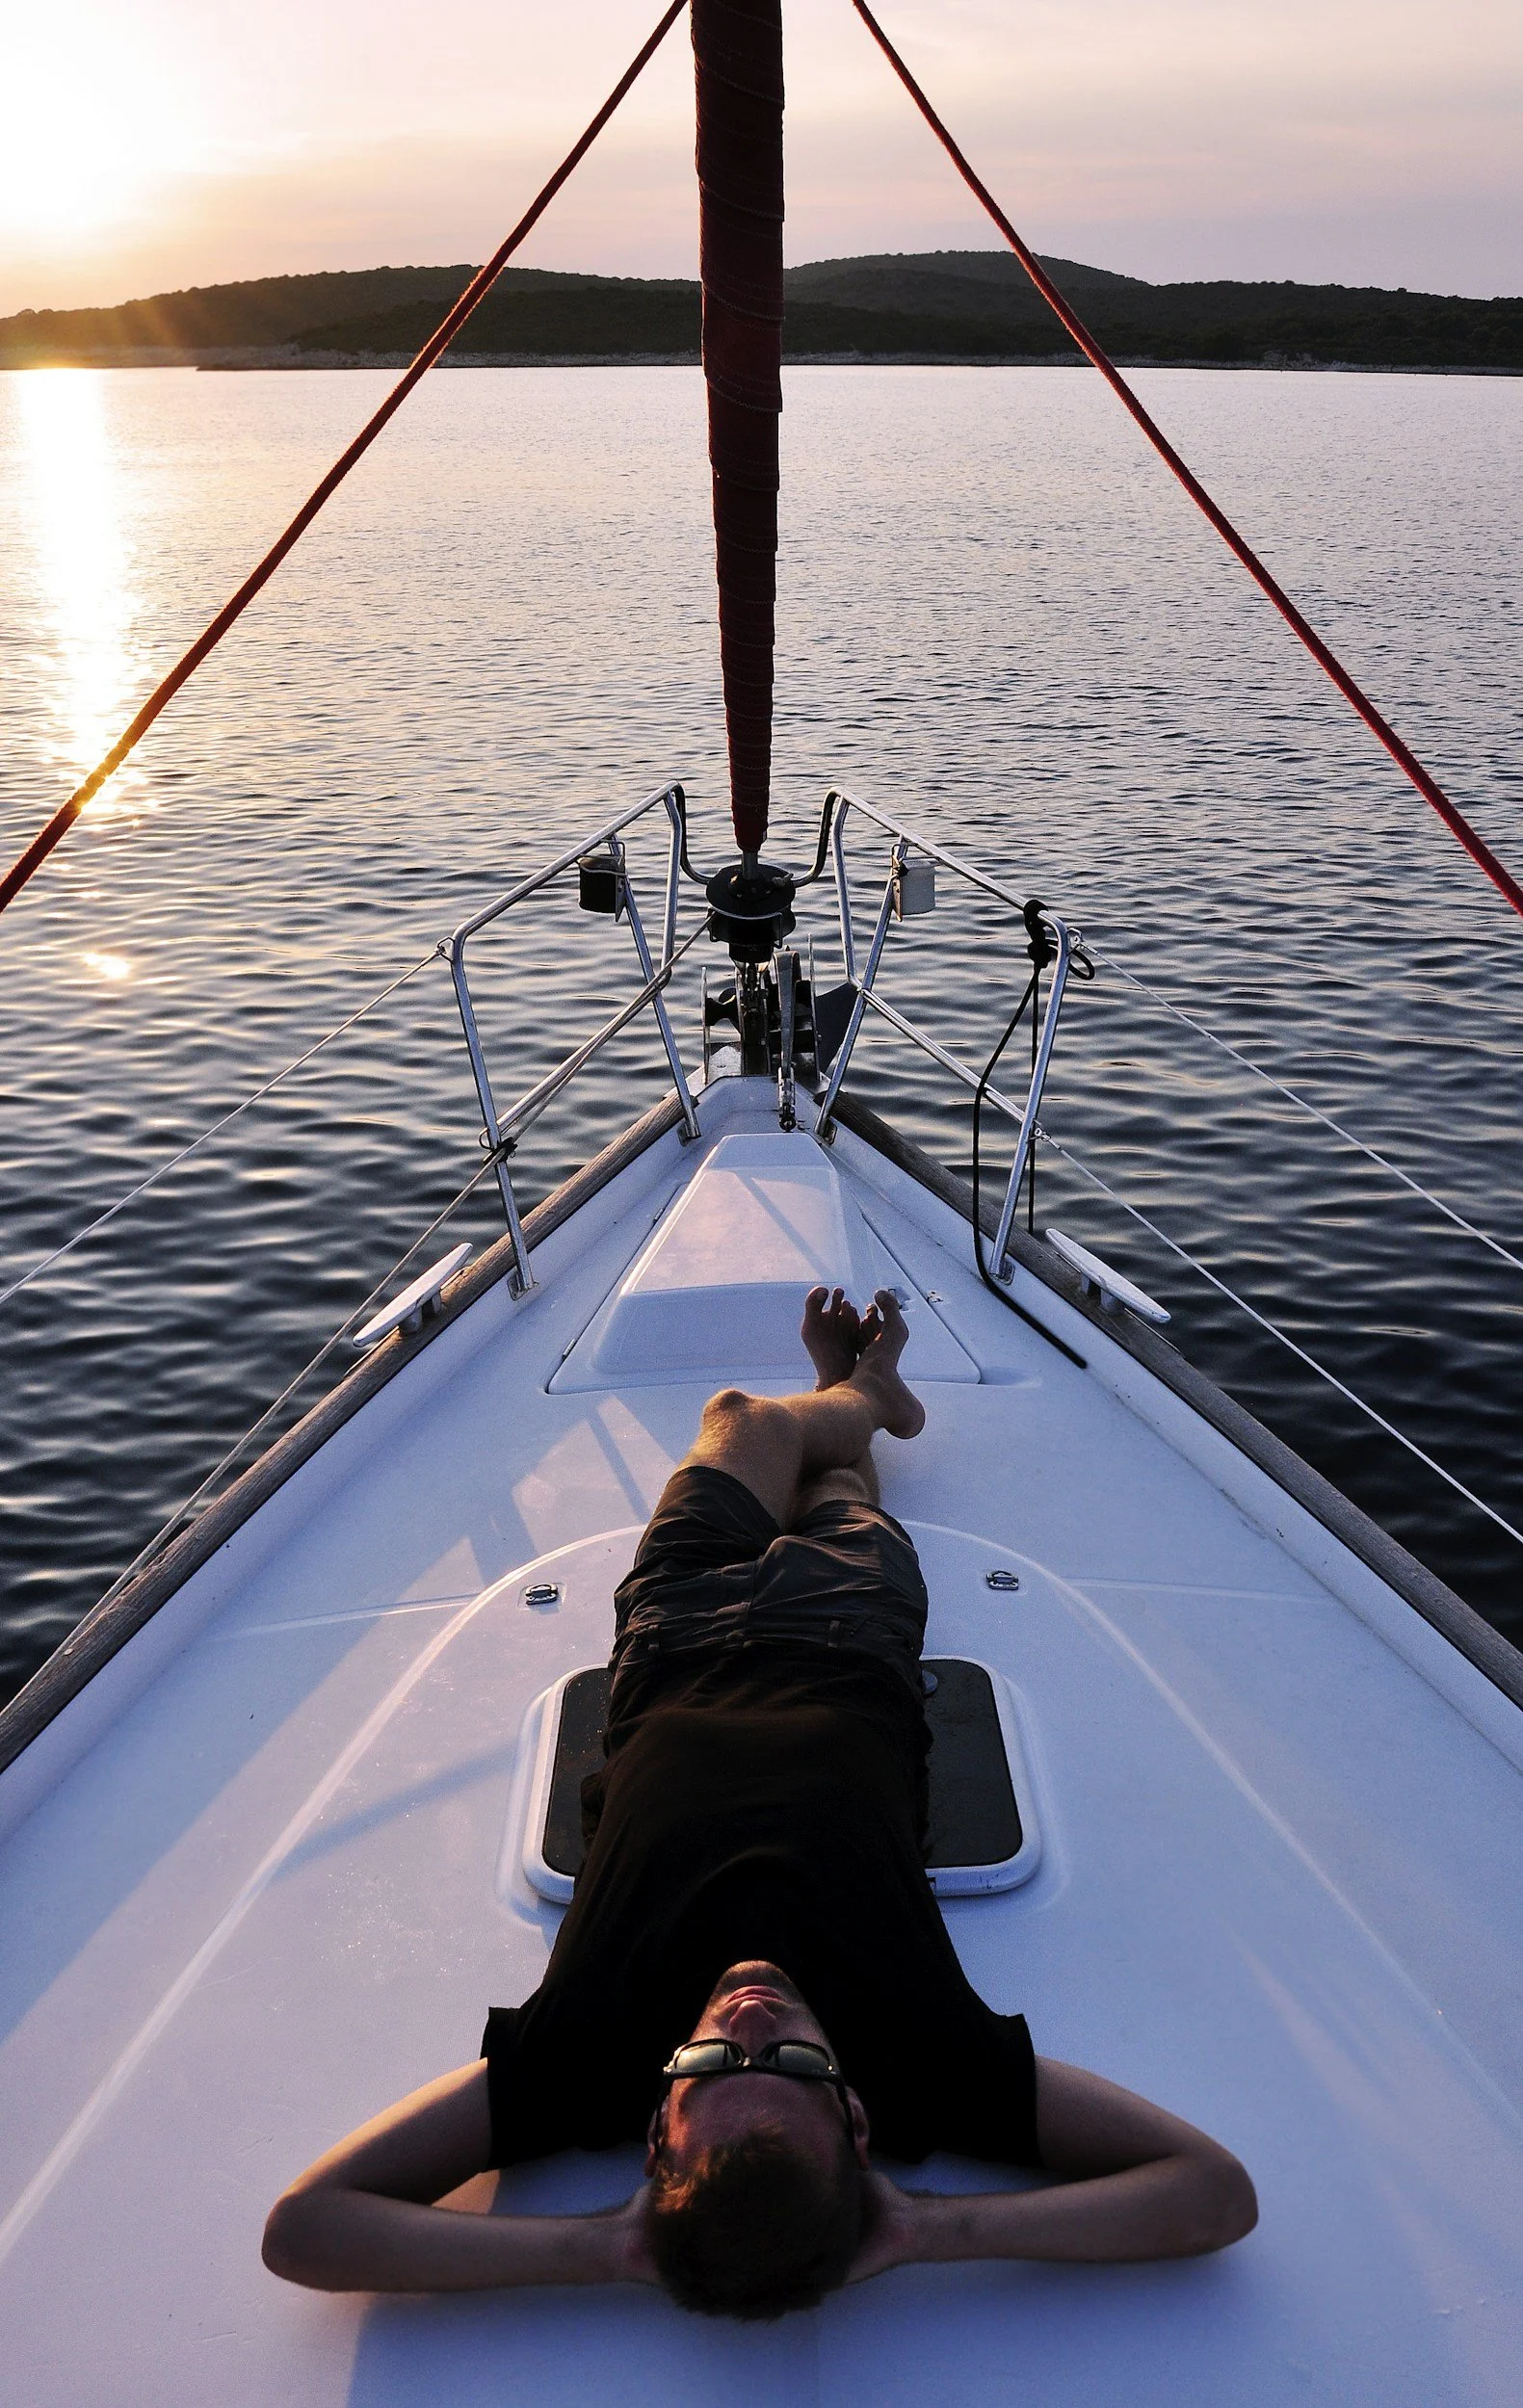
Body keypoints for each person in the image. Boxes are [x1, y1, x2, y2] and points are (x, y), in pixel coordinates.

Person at [263, 1288, 1256, 2317]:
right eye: (792, 2059)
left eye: (704, 2061)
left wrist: (603, 2248)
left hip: (674, 1637)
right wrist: (923, 2228)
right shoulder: (925, 2061)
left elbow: (306, 2226)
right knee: (837, 1490)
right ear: (859, 2121)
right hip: (847, 1633)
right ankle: (865, 1398)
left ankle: (861, 1391)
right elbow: (1212, 2192)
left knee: (740, 1415)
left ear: (657, 2130)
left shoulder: (584, 2061)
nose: (748, 2013)